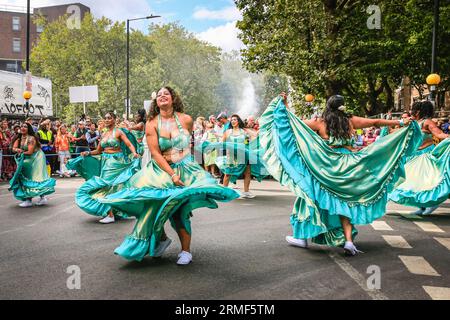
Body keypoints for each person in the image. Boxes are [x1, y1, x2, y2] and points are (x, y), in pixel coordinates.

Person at [259, 94, 421, 256]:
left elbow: (293, 126)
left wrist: (284, 105)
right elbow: (375, 122)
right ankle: (349, 242)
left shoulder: (320, 122)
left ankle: (301, 237)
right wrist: (400, 122)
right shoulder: (350, 120)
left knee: (309, 196)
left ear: (328, 106)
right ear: (342, 106)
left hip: (326, 165)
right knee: (345, 202)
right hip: (349, 165)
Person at [97, 87, 239, 265]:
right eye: (159, 95)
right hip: (160, 170)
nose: (162, 96)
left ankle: (186, 251)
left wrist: (185, 164)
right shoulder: (152, 123)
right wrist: (172, 174)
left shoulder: (186, 119)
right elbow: (155, 153)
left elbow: (188, 145)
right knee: (153, 207)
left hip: (184, 168)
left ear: (173, 98)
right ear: (156, 102)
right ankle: (161, 238)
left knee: (180, 211)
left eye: (166, 94)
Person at [67, 111, 140, 224]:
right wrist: (88, 153)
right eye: (105, 118)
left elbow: (129, 144)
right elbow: (98, 151)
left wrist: (134, 153)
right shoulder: (104, 134)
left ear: (114, 119)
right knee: (108, 186)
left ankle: (110, 214)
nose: (106, 120)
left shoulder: (119, 132)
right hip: (105, 162)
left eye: (109, 118)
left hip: (116, 161)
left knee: (109, 186)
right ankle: (113, 211)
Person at [389, 101, 450, 215]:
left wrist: (447, 136)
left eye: (415, 110)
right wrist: (388, 122)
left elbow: (439, 134)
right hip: (413, 156)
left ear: (421, 111)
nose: (413, 112)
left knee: (427, 182)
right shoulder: (414, 122)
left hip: (425, 155)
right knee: (412, 183)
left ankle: (431, 204)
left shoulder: (427, 122)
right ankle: (422, 207)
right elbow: (396, 132)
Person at [216, 114, 267, 199]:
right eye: (232, 120)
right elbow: (222, 143)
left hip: (243, 154)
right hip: (231, 156)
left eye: (235, 119)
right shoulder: (228, 132)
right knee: (228, 173)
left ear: (238, 121)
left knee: (247, 172)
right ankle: (224, 191)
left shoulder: (244, 131)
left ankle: (246, 192)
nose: (233, 121)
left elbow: (248, 141)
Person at [9, 123, 56, 207]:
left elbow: (30, 152)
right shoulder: (19, 138)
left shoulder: (31, 138)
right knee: (24, 176)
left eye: (25, 127)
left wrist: (20, 151)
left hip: (36, 158)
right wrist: (17, 149)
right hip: (25, 158)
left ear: (28, 129)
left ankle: (41, 198)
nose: (23, 128)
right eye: (22, 126)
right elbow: (13, 148)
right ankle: (28, 199)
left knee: (36, 178)